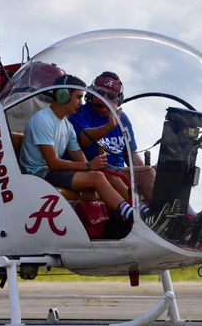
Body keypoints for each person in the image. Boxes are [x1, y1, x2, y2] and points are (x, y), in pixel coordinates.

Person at [19, 74, 145, 225]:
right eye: (78, 97)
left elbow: (83, 160)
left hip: (52, 172)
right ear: (63, 95)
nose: (81, 102)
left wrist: (96, 166)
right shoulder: (43, 120)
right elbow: (53, 163)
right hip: (38, 174)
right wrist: (89, 166)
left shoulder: (67, 126)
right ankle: (134, 217)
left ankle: (142, 211)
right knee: (96, 177)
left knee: (104, 172)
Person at [69, 71, 156, 203]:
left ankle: (180, 217)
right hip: (97, 171)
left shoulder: (123, 119)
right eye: (100, 93)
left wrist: (146, 172)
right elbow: (85, 139)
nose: (103, 98)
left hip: (120, 173)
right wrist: (110, 125)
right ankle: (152, 217)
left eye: (109, 95)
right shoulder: (80, 112)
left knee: (157, 173)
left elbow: (131, 155)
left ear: (118, 99)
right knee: (147, 174)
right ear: (91, 92)